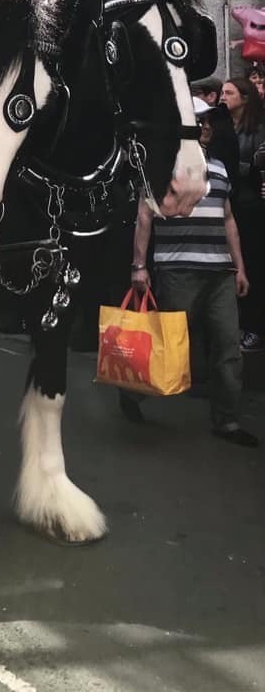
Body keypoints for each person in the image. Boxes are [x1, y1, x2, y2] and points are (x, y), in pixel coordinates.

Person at [119, 97, 258, 447]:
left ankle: (226, 421)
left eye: (208, 121)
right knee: (169, 348)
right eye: (199, 121)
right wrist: (139, 266)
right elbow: (144, 218)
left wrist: (239, 267)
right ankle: (133, 394)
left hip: (220, 273)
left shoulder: (221, 169)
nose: (206, 127)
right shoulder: (161, 167)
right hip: (179, 271)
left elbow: (228, 220)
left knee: (229, 348)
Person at [220, 77, 265, 351]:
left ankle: (254, 326)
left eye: (229, 92)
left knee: (252, 265)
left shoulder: (257, 130)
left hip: (249, 207)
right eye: (222, 92)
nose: (223, 97)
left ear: (245, 98)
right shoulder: (224, 127)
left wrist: (238, 167)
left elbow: (258, 162)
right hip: (230, 203)